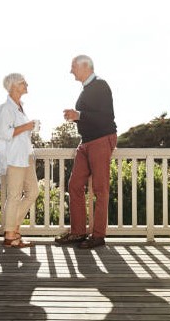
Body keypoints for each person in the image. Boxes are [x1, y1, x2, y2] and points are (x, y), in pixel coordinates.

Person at [55, 55, 117, 249]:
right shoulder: (86, 90)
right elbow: (89, 117)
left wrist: (79, 115)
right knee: (74, 185)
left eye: (73, 66)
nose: (71, 70)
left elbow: (106, 117)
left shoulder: (101, 85)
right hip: (87, 142)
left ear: (85, 67)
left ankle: (98, 235)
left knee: (100, 188)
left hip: (101, 139)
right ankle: (79, 232)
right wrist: (76, 117)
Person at [0, 73, 40, 248]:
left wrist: (28, 128)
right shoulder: (5, 108)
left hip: (26, 156)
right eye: (23, 82)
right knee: (14, 196)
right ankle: (10, 235)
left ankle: (11, 229)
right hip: (14, 158)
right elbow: (3, 133)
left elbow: (19, 133)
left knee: (33, 192)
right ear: (14, 86)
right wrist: (27, 126)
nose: (26, 84)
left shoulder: (20, 106)